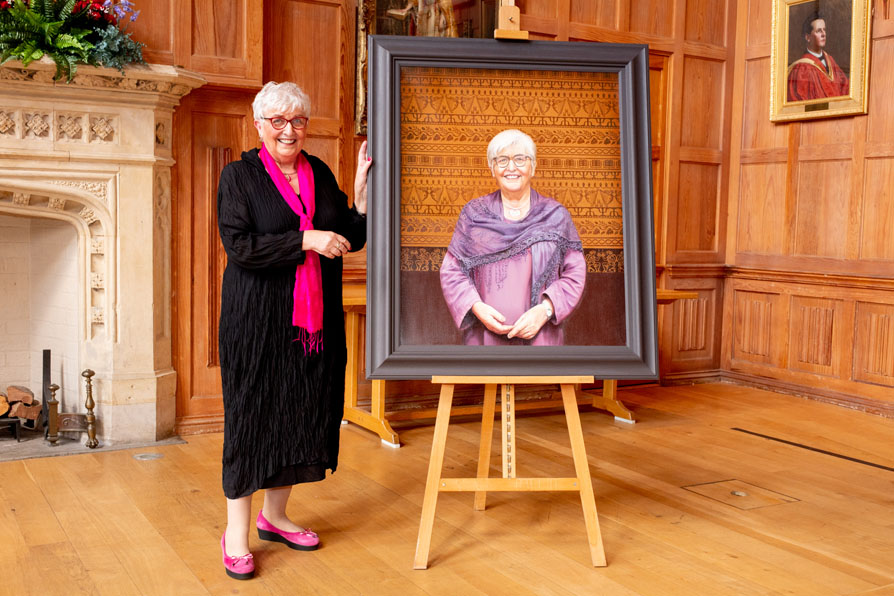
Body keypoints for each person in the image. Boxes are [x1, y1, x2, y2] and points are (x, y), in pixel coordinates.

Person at [216, 81, 371, 580]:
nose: (289, 129)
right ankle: (235, 535)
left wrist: (362, 201)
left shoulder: (319, 172)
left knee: (301, 412)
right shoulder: (239, 176)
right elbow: (241, 248)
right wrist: (306, 238)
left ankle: (275, 516)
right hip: (257, 321)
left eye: (298, 120)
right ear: (259, 124)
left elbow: (349, 236)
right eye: (278, 121)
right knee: (252, 417)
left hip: (314, 321)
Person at [440, 129, 585, 346]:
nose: (511, 167)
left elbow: (575, 272)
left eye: (520, 159)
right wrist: (476, 308)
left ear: (533, 166)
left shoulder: (556, 215)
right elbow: (452, 271)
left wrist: (546, 310)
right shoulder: (473, 215)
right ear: (492, 168)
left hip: (542, 340)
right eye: (502, 160)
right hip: (484, 340)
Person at [787, 12, 849, 102]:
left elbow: (845, 87)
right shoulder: (802, 68)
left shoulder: (830, 60)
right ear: (808, 37)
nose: (823, 34)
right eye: (819, 31)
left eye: (824, 30)